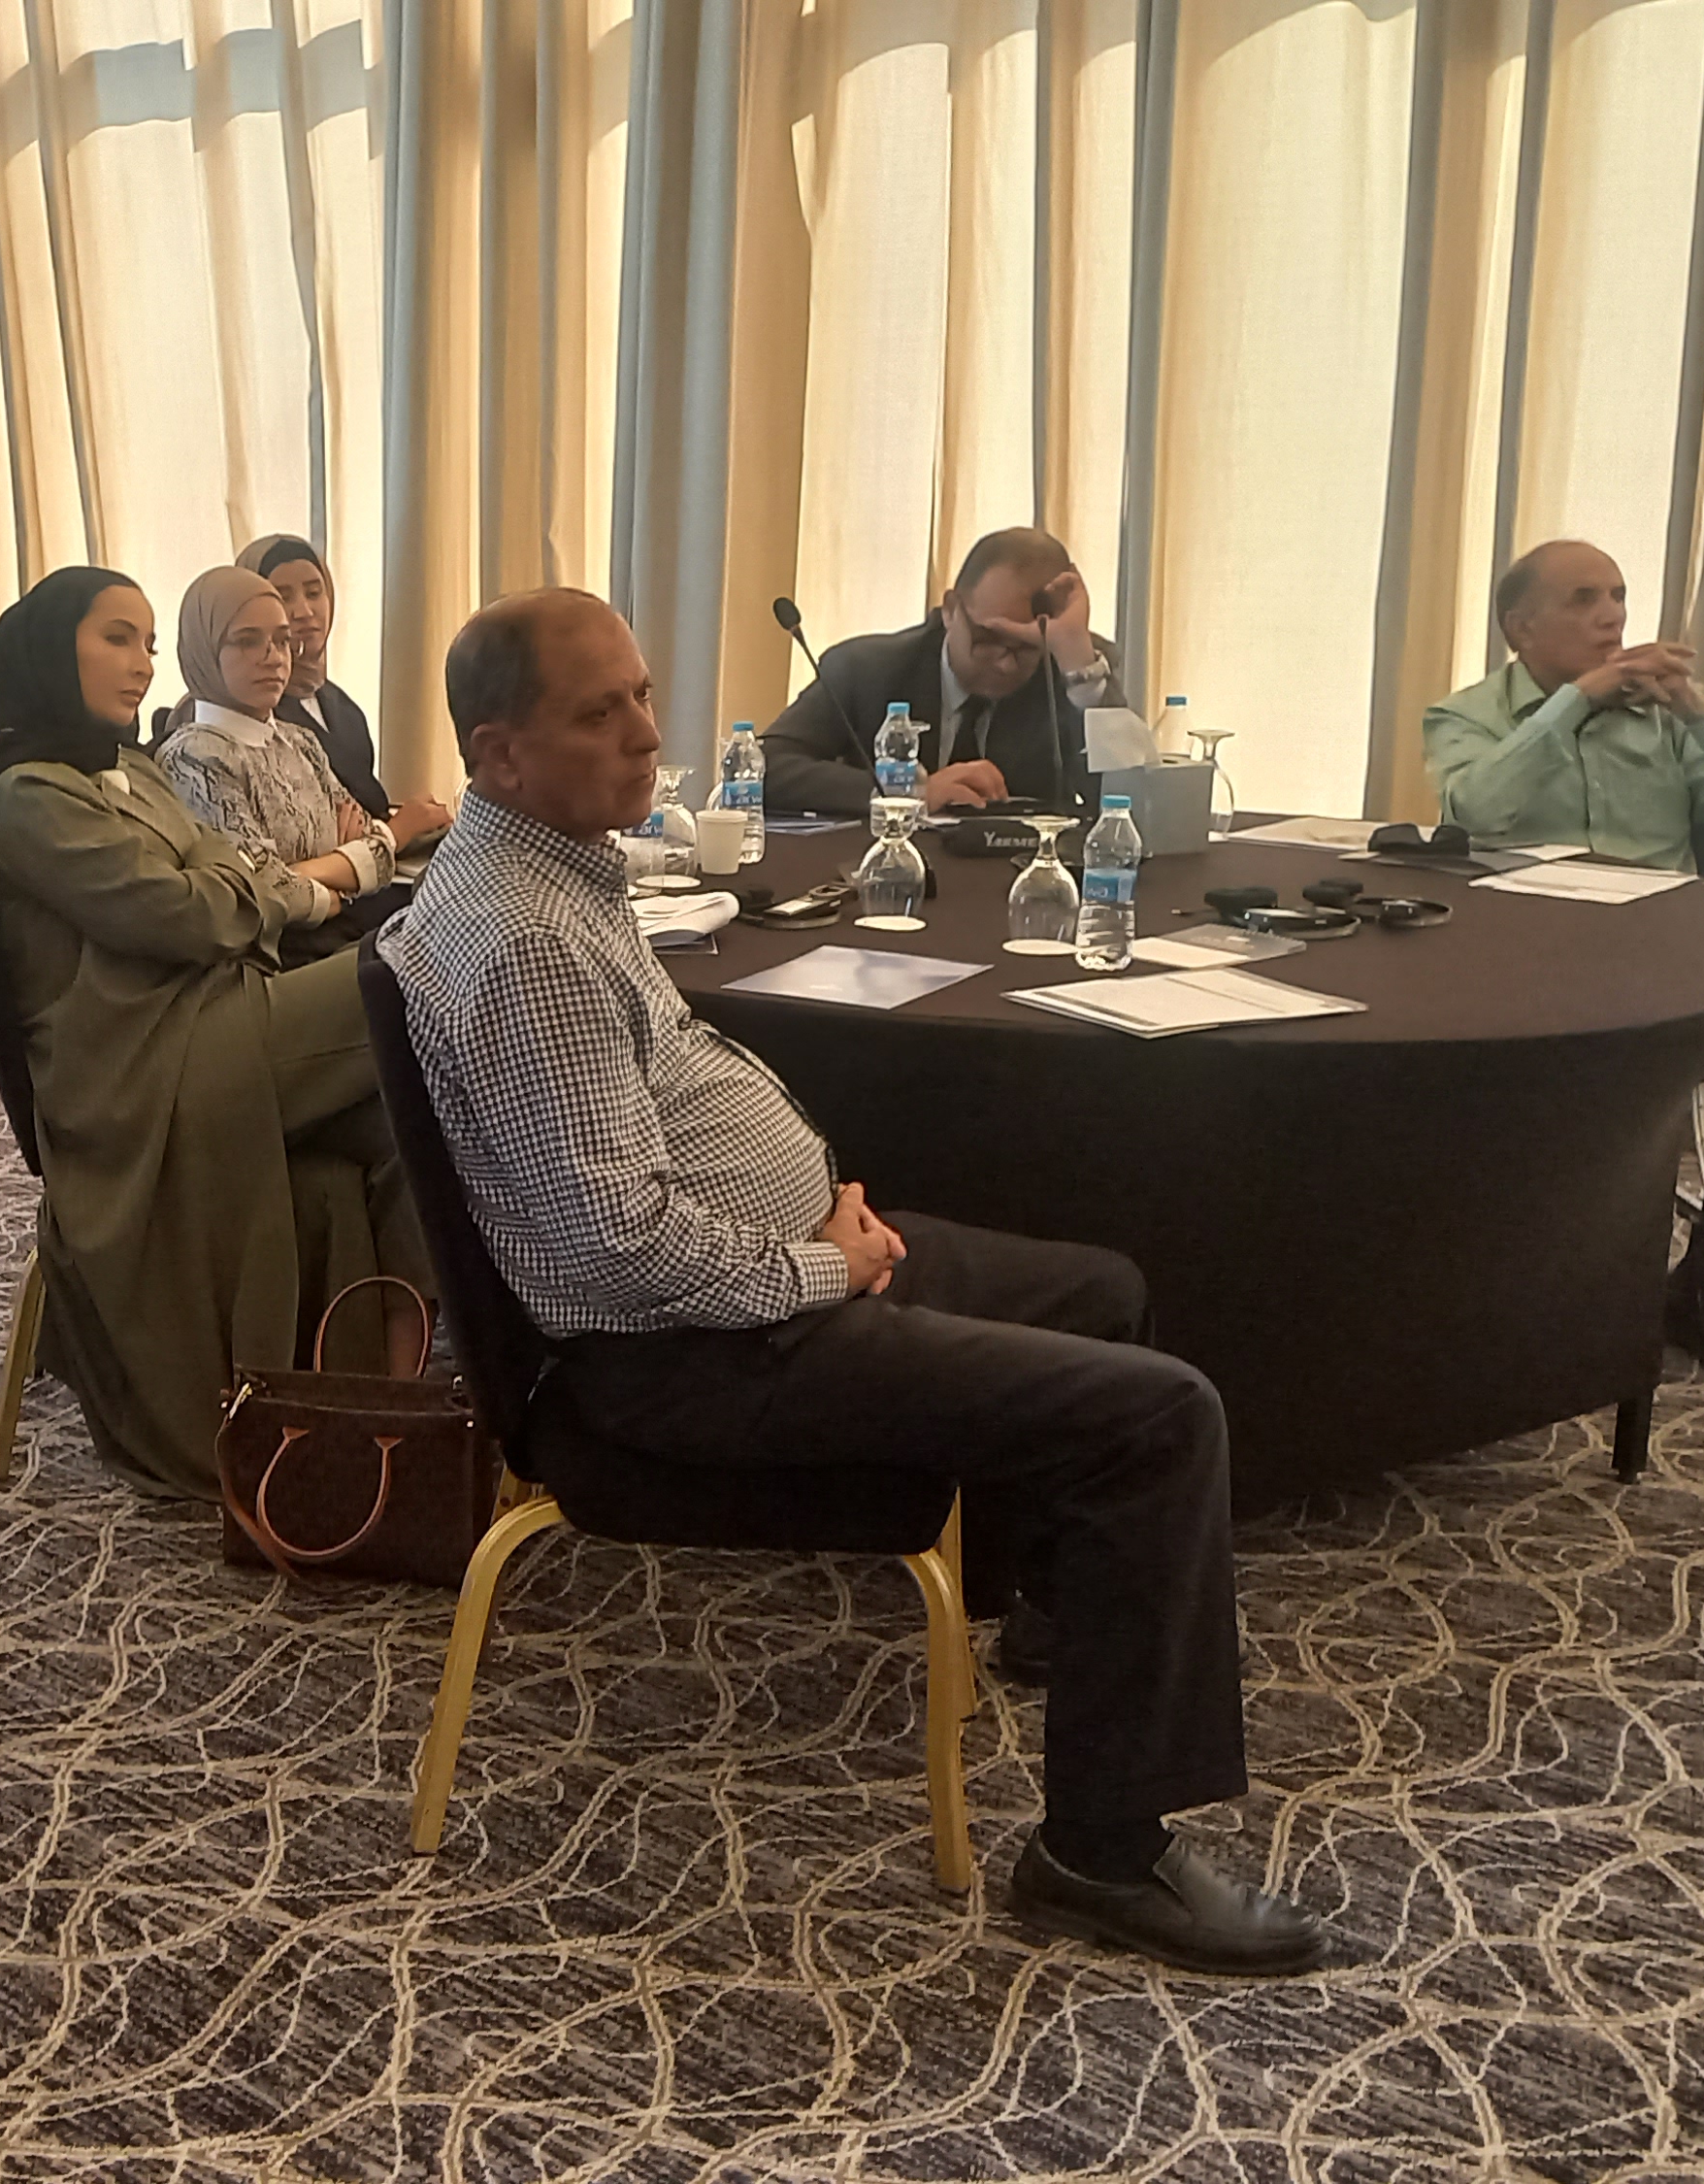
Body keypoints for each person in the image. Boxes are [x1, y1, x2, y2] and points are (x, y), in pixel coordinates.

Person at [390, 586, 1333, 1977]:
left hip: (756, 1287)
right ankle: (1101, 1848)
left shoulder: (549, 870)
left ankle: (1075, 1632)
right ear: (498, 753)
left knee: (1101, 1290)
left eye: (642, 693)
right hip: (690, 1359)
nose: (648, 732)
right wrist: (818, 1264)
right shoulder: (525, 939)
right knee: (1161, 1416)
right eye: (602, 713)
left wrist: (812, 1222)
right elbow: (613, 1248)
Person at [0, 567, 429, 1500]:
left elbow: (229, 877)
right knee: (417, 973)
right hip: (146, 1063)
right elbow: (185, 912)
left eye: (150, 643)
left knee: (411, 1116)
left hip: (225, 1011)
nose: (143, 663)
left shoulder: (129, 768)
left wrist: (248, 886)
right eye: (117, 637)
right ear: (51, 649)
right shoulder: (25, 794)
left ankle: (397, 1395)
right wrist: (260, 886)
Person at [1423, 538, 1704, 1382]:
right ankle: (1504, 1267)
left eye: (1616, 595)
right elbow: (1476, 812)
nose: (1611, 616)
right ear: (1520, 627)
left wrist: (1702, 716)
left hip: (1666, 959)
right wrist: (1573, 704)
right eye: (1584, 600)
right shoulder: (1466, 718)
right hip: (1532, 961)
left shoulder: (1666, 720)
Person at [762, 526, 1125, 815]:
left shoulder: (1070, 668)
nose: (1005, 663)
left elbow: (1134, 806)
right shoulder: (867, 669)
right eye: (988, 638)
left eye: (1027, 647)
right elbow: (766, 767)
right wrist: (909, 792)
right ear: (951, 609)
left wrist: (1082, 671)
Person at [158, 565, 404, 956]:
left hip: (341, 937)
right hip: (272, 959)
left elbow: (378, 847)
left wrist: (301, 873)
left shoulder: (301, 741)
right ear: (204, 650)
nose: (273, 658)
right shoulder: (194, 757)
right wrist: (342, 878)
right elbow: (258, 893)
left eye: (283, 640)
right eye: (247, 641)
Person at [233, 534, 450, 841]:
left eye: (314, 592)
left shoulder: (342, 708)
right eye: (283, 597)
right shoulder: (248, 716)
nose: (304, 611)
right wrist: (394, 831)